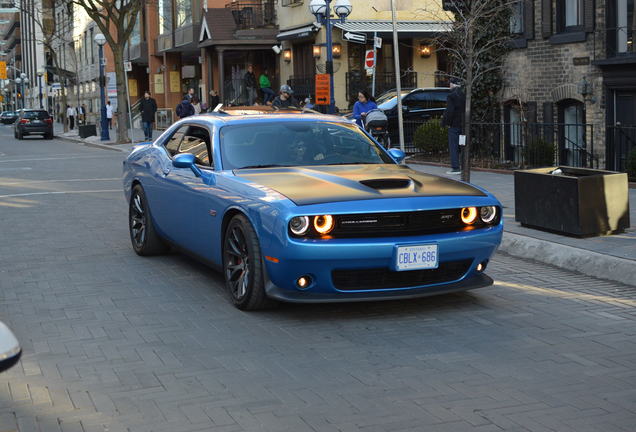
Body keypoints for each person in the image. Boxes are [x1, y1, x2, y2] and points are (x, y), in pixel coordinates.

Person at [441, 77, 466, 175]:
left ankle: (456, 167)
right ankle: (464, 166)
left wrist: (444, 123)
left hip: (454, 125)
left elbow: (449, 112)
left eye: (450, 83)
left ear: (452, 84)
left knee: (453, 146)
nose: (449, 85)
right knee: (462, 146)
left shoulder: (451, 96)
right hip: (463, 125)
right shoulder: (463, 95)